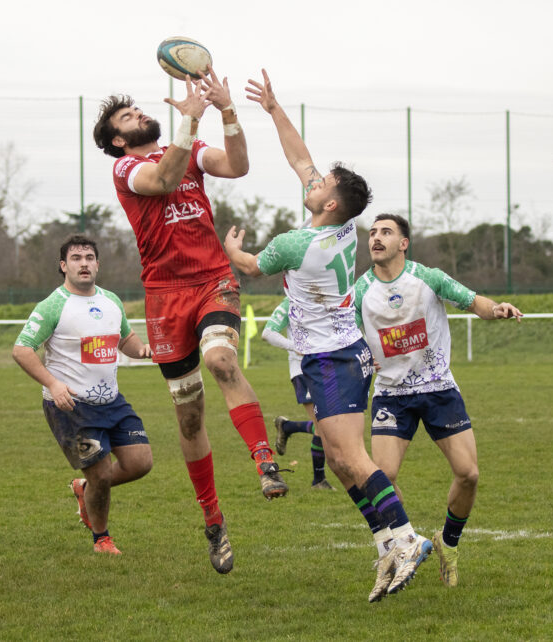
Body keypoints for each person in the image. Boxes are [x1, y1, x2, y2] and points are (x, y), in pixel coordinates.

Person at [224, 69, 431, 601]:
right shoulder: (339, 224)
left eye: (321, 183)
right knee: (339, 461)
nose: (312, 181)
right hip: (334, 355)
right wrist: (272, 109)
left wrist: (225, 246)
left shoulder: (297, 243)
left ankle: (407, 538)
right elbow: (300, 158)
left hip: (334, 357)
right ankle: (386, 542)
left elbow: (249, 266)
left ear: (330, 201)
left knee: (350, 456)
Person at [93, 67, 287, 574]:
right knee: (189, 414)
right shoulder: (124, 171)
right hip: (163, 297)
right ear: (118, 139)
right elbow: (163, 179)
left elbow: (237, 165)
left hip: (211, 279)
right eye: (127, 116)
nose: (139, 114)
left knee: (223, 361)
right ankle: (213, 520)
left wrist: (225, 111)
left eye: (138, 108)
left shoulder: (190, 145)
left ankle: (265, 461)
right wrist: (190, 123)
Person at [354, 213, 523, 588]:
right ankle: (404, 542)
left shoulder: (428, 277)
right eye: (373, 233)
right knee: (382, 478)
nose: (376, 239)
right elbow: (347, 343)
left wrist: (495, 309)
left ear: (404, 243)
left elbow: (472, 300)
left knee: (469, 474)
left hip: (437, 389)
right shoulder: (360, 292)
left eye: (386, 232)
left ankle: (449, 544)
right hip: (391, 396)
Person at [12, 236, 153, 555]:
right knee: (102, 473)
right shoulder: (52, 305)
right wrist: (54, 383)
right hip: (72, 408)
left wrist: (141, 349)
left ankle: (85, 489)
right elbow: (21, 350)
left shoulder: (111, 301)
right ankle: (101, 539)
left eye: (89, 257)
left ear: (98, 264)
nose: (84, 263)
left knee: (141, 462)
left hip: (112, 401)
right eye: (76, 258)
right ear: (64, 266)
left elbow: (125, 338)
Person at [262, 297, 335, 490]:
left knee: (330, 424)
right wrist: (295, 346)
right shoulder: (290, 303)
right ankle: (318, 481)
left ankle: (287, 427)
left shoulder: (325, 298)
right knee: (323, 426)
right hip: (303, 372)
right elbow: (268, 333)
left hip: (327, 369)